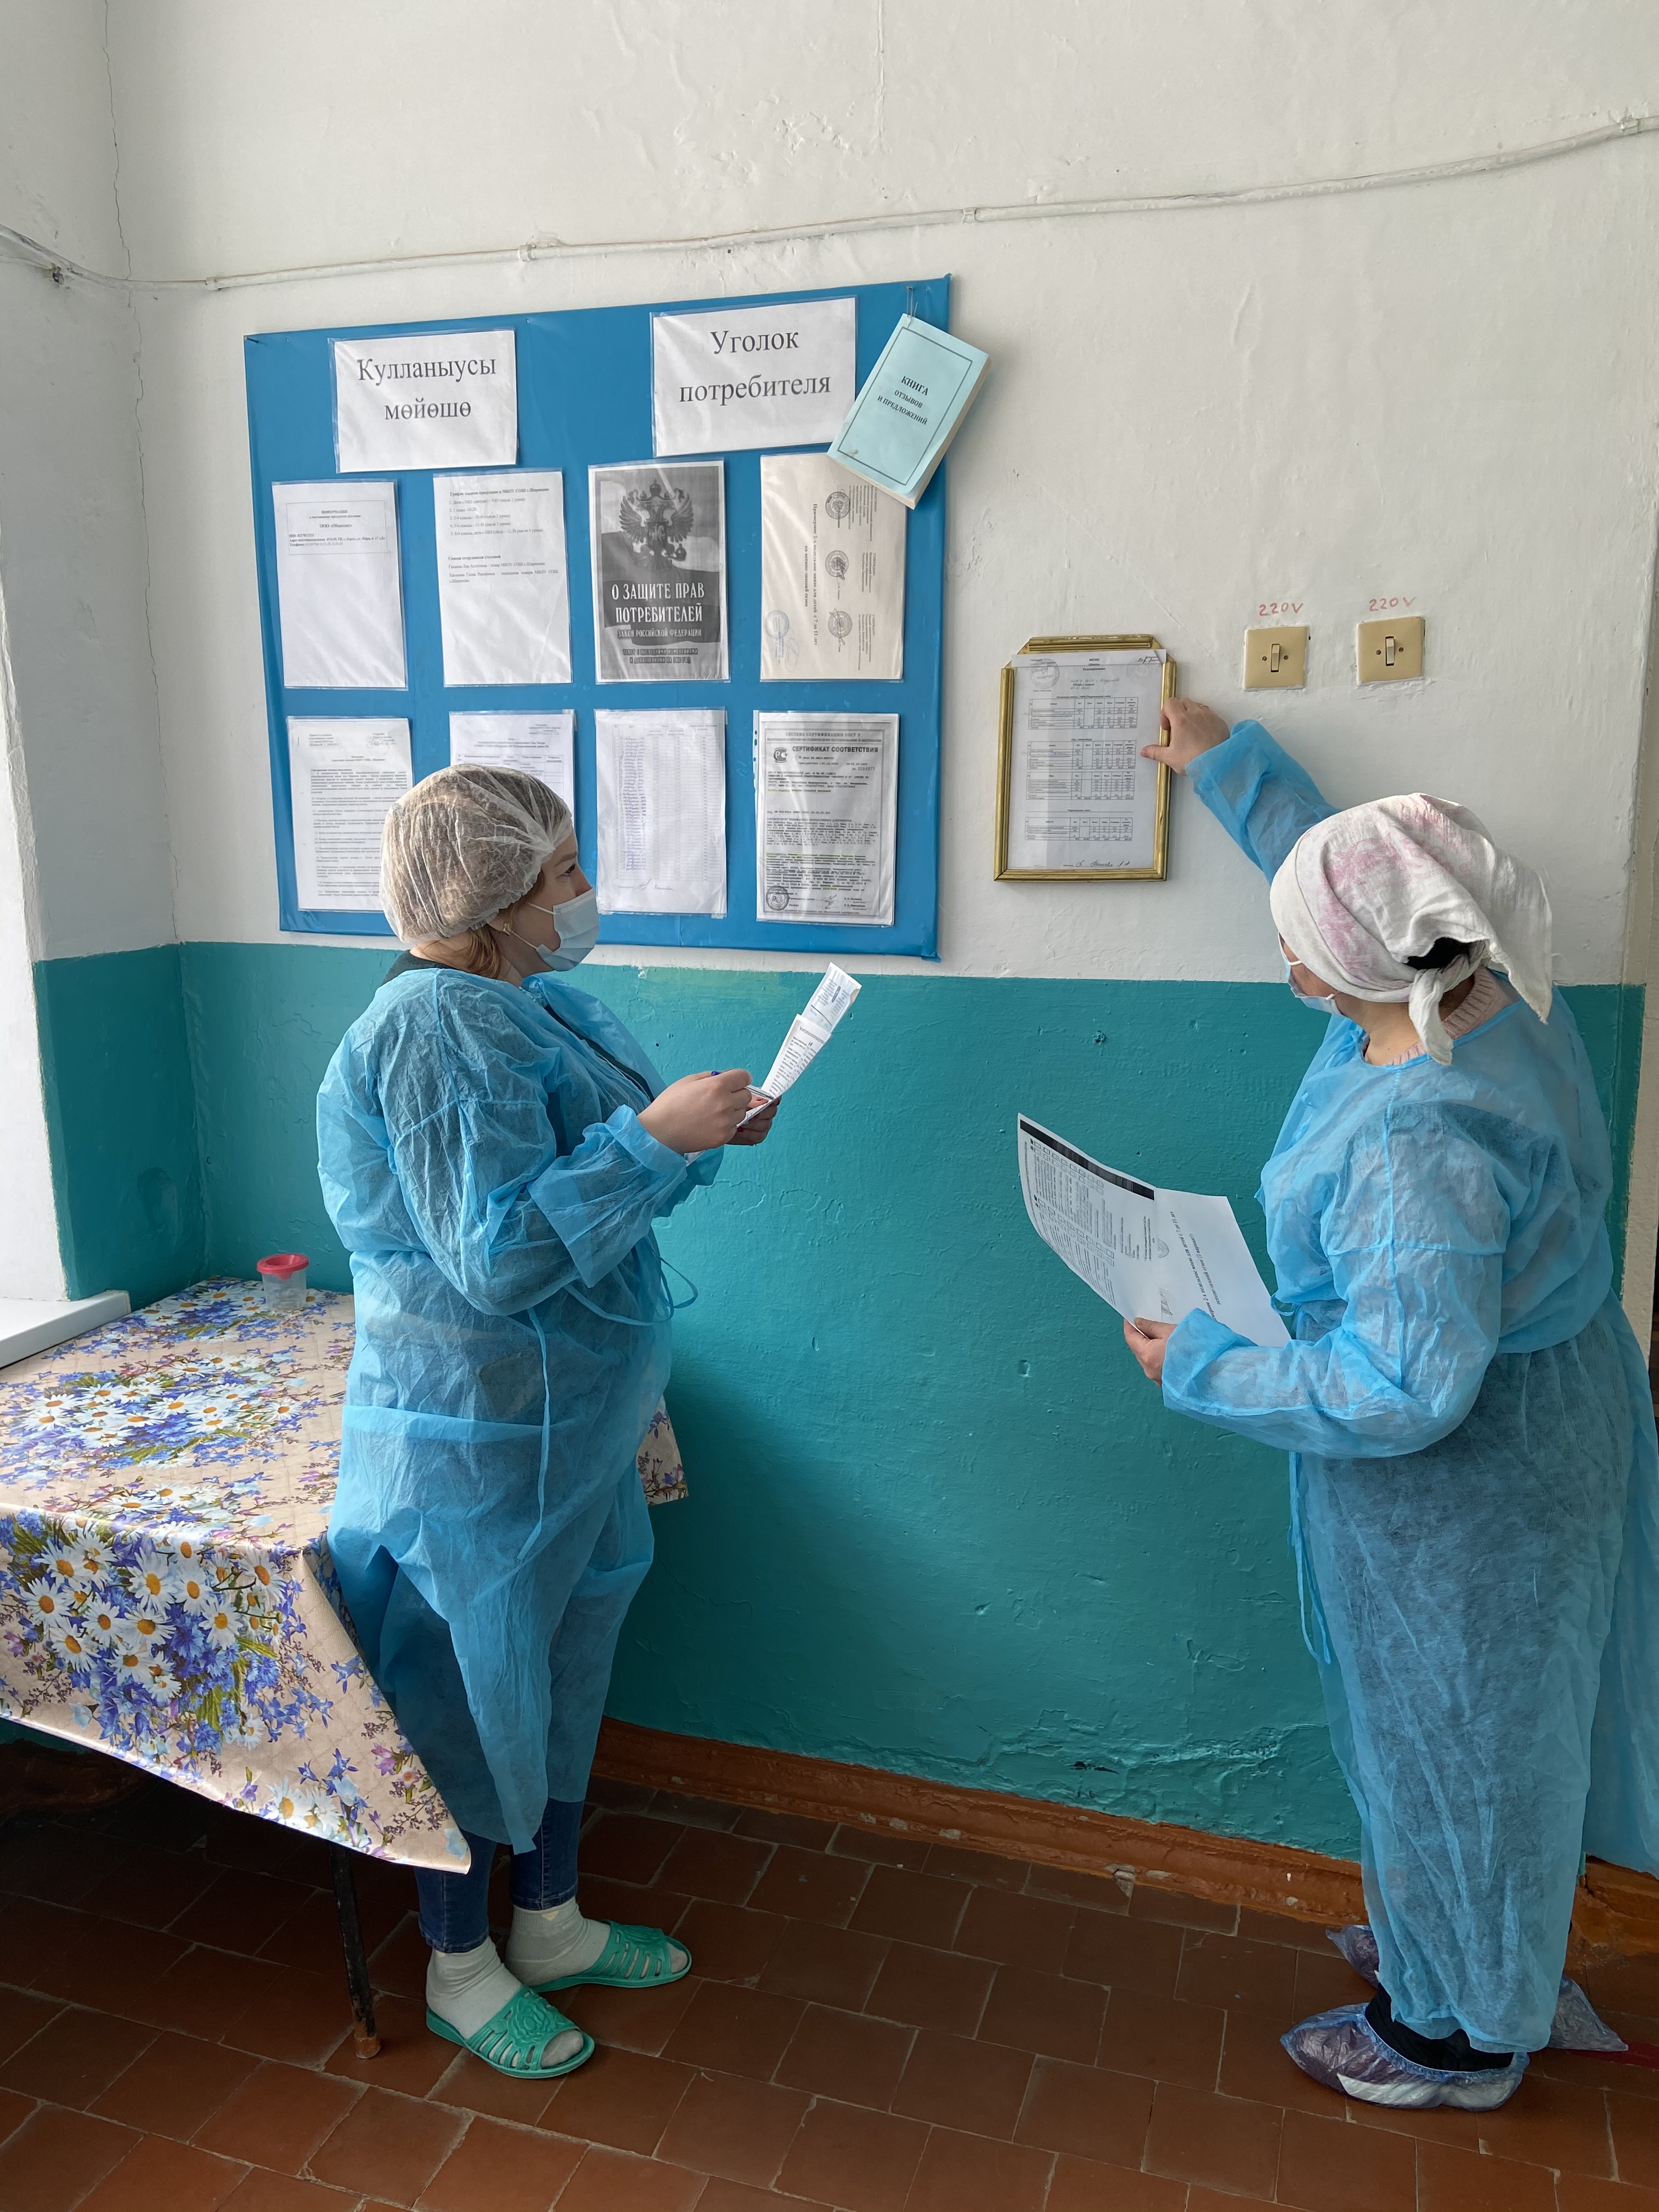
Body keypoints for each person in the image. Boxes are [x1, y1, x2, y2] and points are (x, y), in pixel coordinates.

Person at [1121, 702, 1659, 2112]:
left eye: (1295, 939)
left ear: (1355, 959)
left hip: (1468, 1487)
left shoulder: (1419, 1132)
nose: (1282, 955)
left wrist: (1202, 1367)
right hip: (1541, 1416)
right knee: (1487, 1734)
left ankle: (1457, 2038)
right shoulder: (1477, 985)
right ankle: (1467, 1950)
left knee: (1462, 1744)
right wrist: (1231, 769)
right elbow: (1355, 882)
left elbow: (1405, 1385)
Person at [317, 766, 777, 2080]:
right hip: (473, 1438)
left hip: (576, 1424)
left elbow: (598, 1187)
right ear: (493, 896)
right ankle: (459, 1964)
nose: (583, 891)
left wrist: (695, 1140)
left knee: (564, 1676)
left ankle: (550, 1921)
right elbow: (501, 1256)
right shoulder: (434, 1031)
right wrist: (652, 1144)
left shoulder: (534, 1002)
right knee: (469, 1700)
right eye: (564, 871)